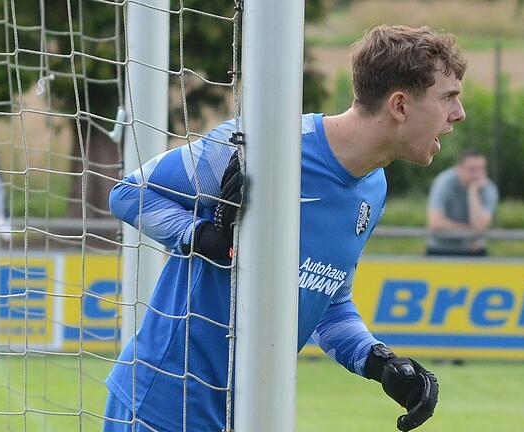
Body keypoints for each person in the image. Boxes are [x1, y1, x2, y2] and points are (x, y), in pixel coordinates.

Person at [103, 25, 466, 432]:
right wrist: (203, 237)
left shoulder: (374, 189)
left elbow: (327, 301)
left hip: (251, 415)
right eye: (448, 97)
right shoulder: (262, 146)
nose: (459, 114)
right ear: (399, 105)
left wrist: (380, 362)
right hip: (163, 408)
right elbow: (128, 193)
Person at [426, 150, 499, 256]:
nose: (478, 175)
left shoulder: (489, 189)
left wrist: (473, 192)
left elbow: (480, 227)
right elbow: (435, 224)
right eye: (472, 169)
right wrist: (470, 231)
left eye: (481, 169)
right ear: (459, 169)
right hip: (441, 250)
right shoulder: (443, 182)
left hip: (474, 251)